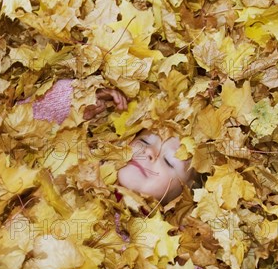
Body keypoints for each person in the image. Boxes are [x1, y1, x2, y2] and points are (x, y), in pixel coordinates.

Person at [19, 78, 197, 204]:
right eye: (144, 142)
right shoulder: (82, 161)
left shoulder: (141, 246)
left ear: (184, 195)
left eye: (169, 161)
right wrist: (79, 102)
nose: (149, 152)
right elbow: (22, 121)